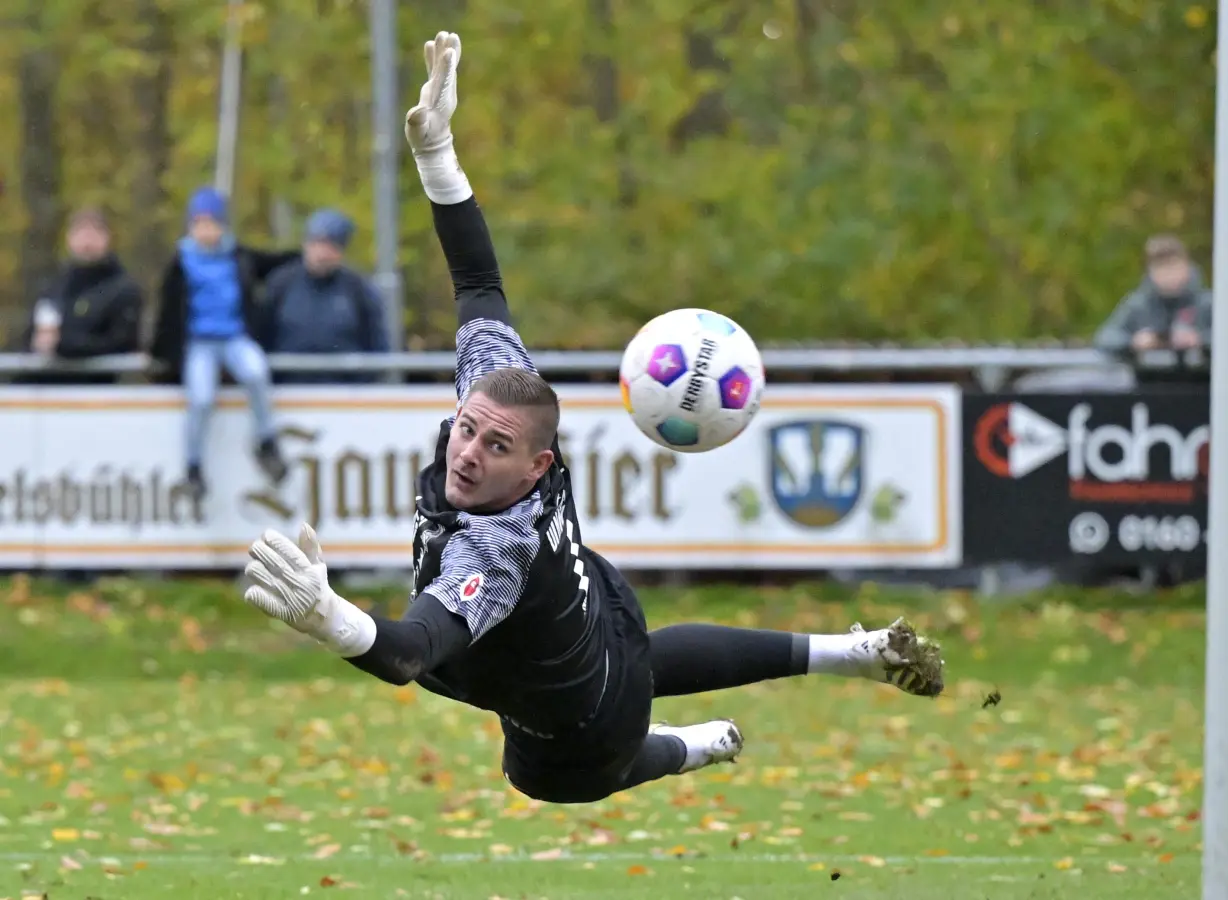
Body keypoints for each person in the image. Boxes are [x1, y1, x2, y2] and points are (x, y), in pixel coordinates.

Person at [236, 32, 944, 805]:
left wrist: (328, 618)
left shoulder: (497, 551)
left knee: (541, 771)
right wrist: (436, 153)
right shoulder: (502, 389)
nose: (467, 451)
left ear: (538, 466)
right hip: (590, 614)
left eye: (495, 446)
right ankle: (847, 653)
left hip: (581, 722)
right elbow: (477, 282)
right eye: (467, 429)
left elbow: (409, 652)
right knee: (610, 658)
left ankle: (688, 746)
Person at [153, 187, 298, 499]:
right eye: (199, 223)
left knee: (256, 373)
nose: (206, 230)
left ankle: (266, 441)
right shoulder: (181, 262)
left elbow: (272, 262)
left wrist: (300, 254)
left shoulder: (237, 256)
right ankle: (193, 467)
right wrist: (161, 355)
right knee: (201, 399)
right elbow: (167, 312)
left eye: (212, 223)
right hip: (200, 343)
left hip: (234, 338)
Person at [261, 208, 390, 383]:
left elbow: (377, 344)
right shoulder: (281, 283)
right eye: (315, 243)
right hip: (289, 389)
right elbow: (261, 335)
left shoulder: (357, 288)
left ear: (341, 250)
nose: (321, 253)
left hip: (345, 391)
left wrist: (362, 384)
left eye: (330, 246)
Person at [21, 207, 144, 385]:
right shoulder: (53, 287)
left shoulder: (123, 290)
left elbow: (122, 343)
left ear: (108, 238)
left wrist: (64, 347)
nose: (87, 241)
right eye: (80, 233)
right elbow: (30, 337)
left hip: (101, 390)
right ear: (69, 238)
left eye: (94, 233)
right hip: (47, 388)